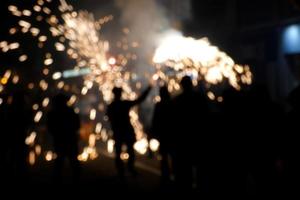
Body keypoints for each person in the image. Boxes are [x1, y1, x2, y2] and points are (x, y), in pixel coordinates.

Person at [107, 86, 151, 178]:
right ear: (119, 94)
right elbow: (139, 100)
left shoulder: (111, 106)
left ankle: (121, 171)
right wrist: (148, 88)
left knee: (119, 152)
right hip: (126, 131)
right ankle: (129, 168)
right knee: (129, 150)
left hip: (118, 132)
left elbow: (109, 119)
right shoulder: (124, 104)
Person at [47, 93, 81, 183]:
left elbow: (50, 127)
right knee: (71, 162)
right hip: (69, 140)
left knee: (61, 161)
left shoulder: (53, 113)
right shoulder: (70, 111)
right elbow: (77, 125)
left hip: (61, 140)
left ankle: (59, 180)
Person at [151, 86, 173, 183]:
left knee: (164, 156)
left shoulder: (159, 105)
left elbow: (155, 121)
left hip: (164, 134)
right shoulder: (173, 103)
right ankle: (171, 175)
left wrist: (154, 133)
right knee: (172, 156)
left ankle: (165, 176)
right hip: (171, 134)